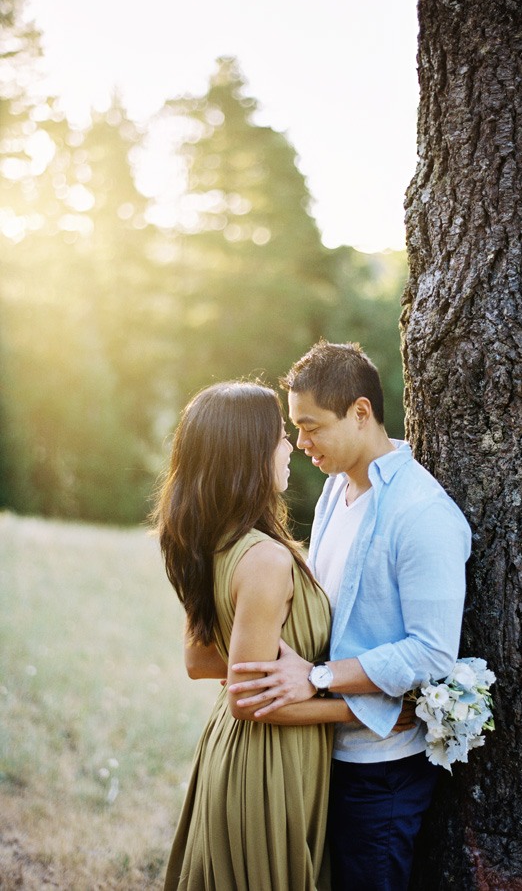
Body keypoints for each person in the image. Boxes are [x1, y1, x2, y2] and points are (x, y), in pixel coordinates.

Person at [229, 342, 472, 891]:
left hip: (379, 771)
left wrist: (316, 677)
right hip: (318, 751)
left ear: (361, 413)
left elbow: (432, 652)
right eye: (296, 428)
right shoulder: (335, 489)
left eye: (311, 427)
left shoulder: (423, 514)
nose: (300, 443)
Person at [153, 381, 359, 891]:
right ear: (248, 452)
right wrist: (366, 710)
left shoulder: (212, 540)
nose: (290, 447)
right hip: (266, 765)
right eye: (278, 436)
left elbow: (201, 662)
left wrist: (274, 667)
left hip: (234, 750)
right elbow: (248, 699)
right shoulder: (264, 559)